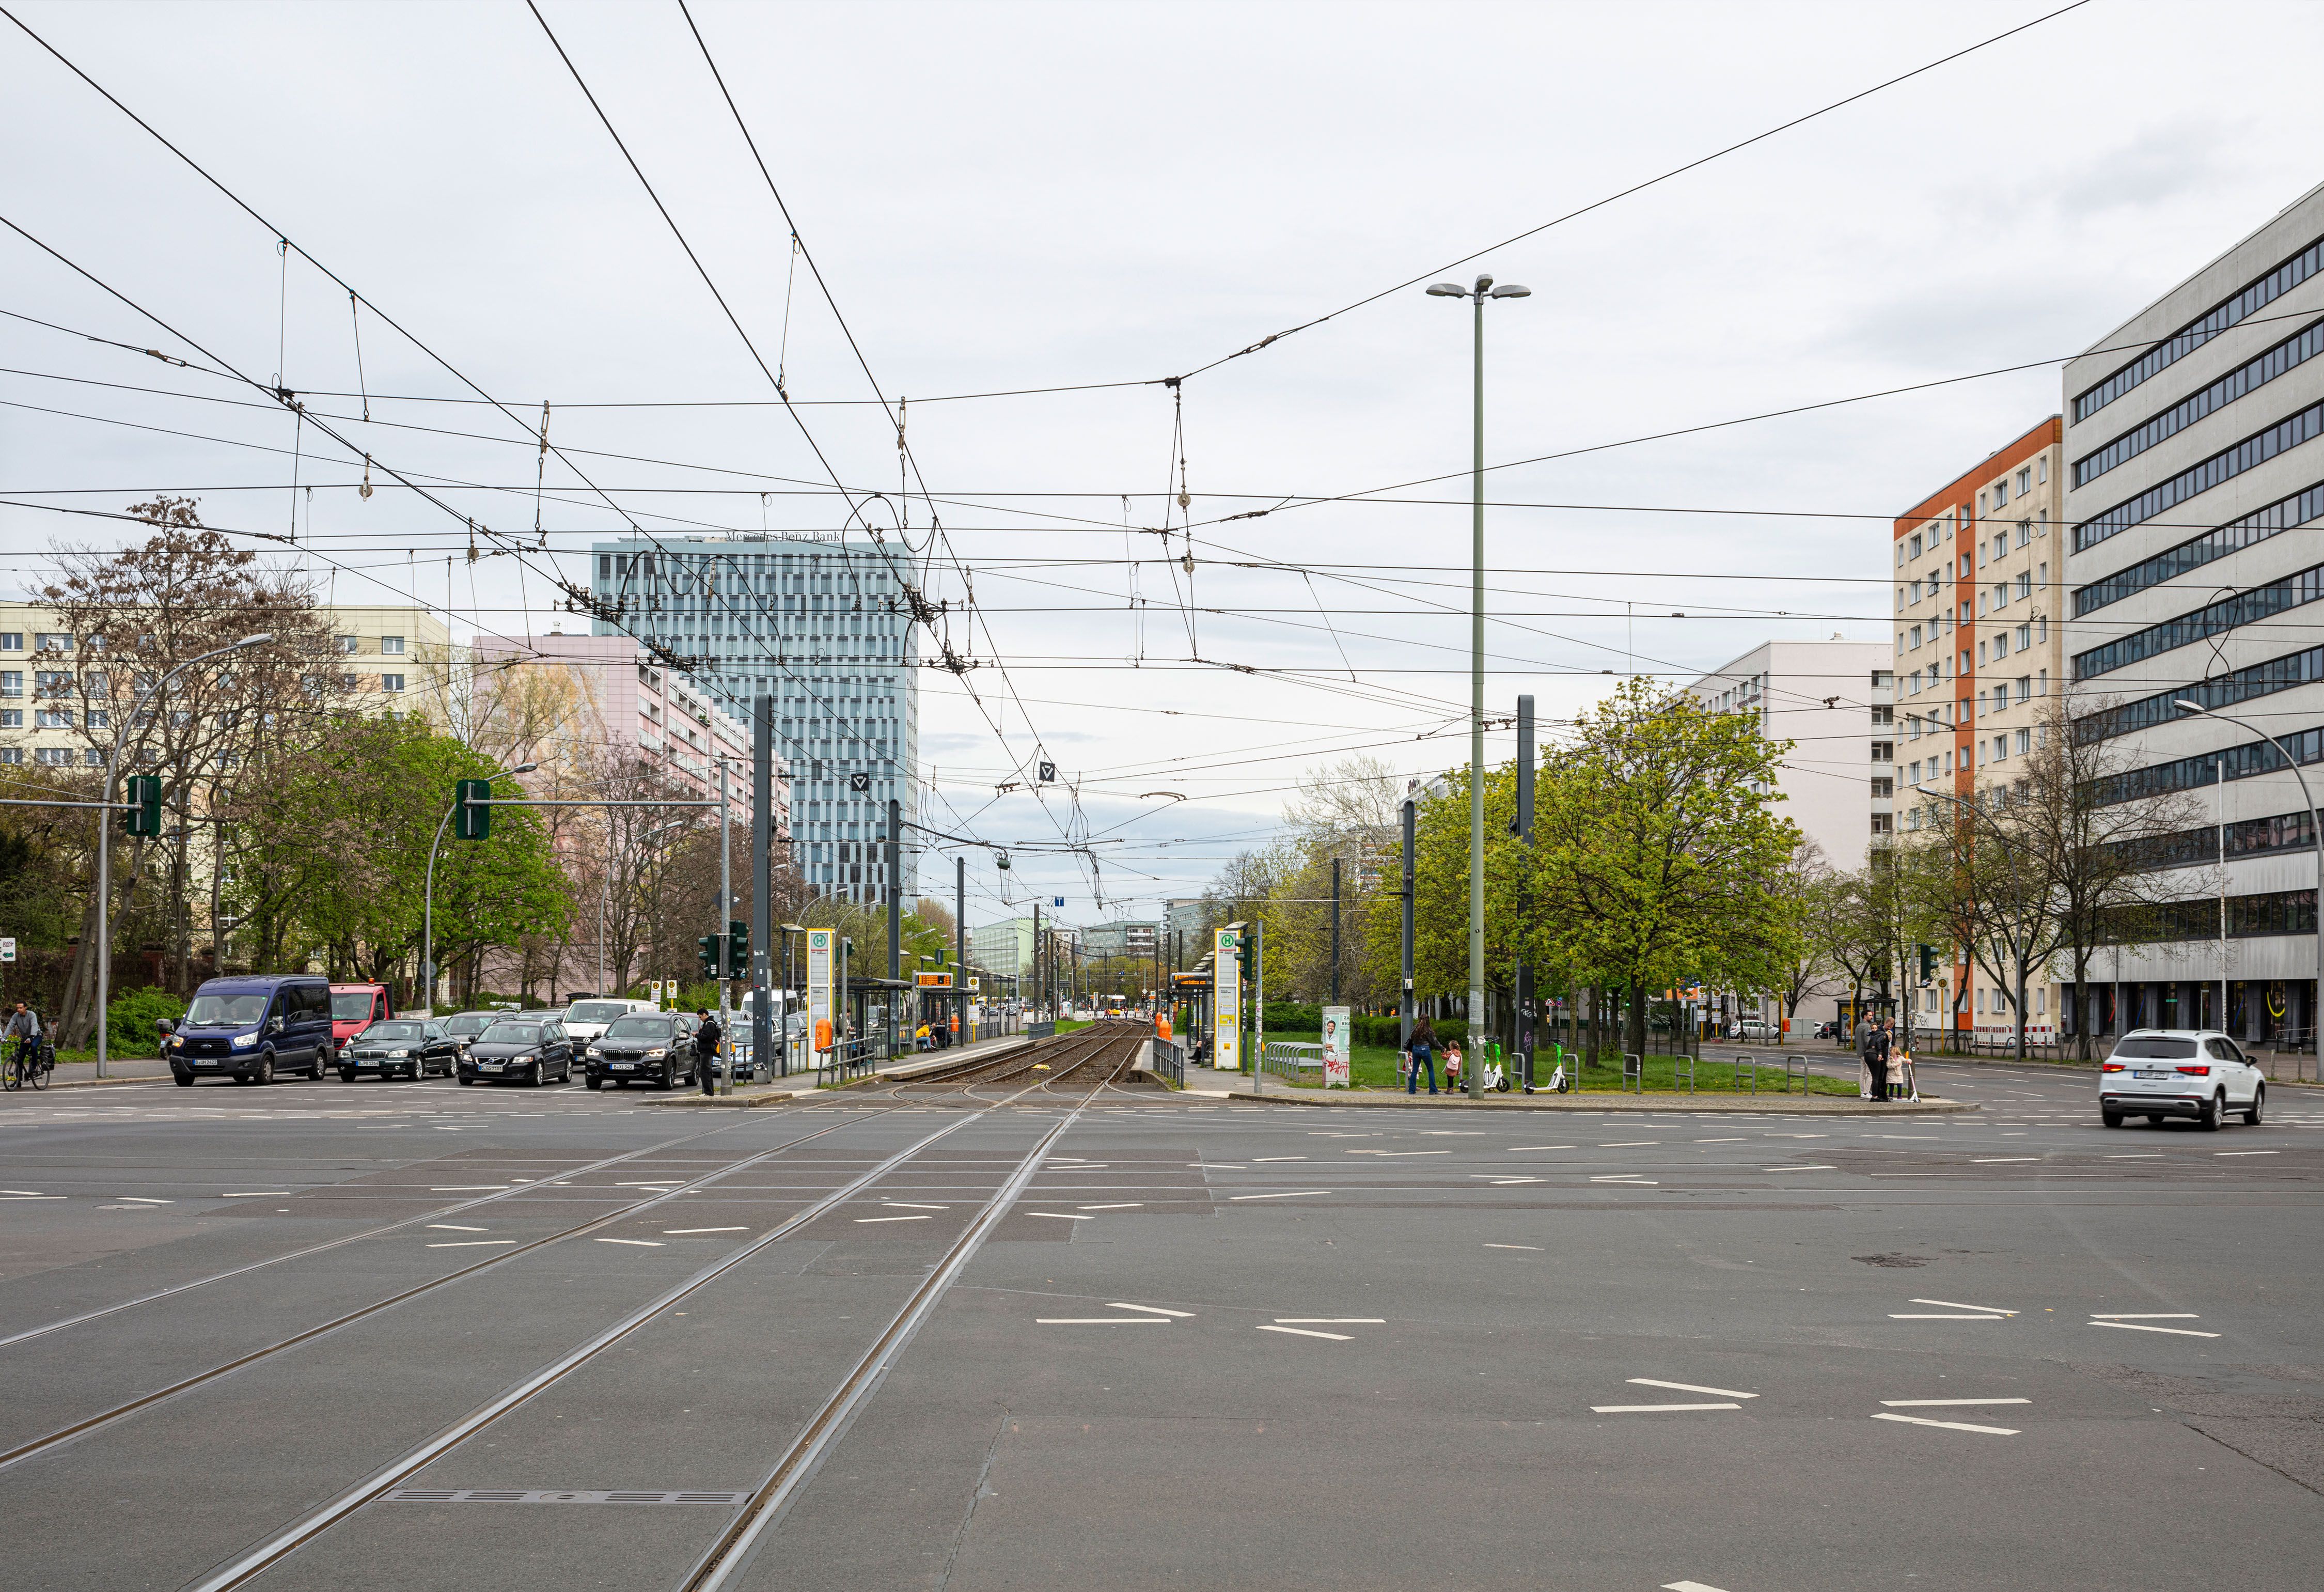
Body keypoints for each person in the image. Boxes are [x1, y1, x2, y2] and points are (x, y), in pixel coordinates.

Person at [1407, 1016, 1439, 1096]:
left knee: (1414, 1070)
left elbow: (1411, 1038)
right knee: (1430, 1069)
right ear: (1428, 1020)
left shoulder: (1415, 1028)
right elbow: (1434, 1041)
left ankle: (1412, 1090)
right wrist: (1442, 1048)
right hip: (1425, 1049)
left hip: (1415, 1049)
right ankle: (1433, 1089)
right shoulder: (1428, 1029)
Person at [695, 1009, 724, 1096]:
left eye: (700, 1017)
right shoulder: (711, 1023)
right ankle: (709, 1092)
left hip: (707, 1050)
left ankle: (708, 1092)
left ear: (704, 1014)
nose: (700, 1019)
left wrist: (697, 1035)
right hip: (708, 1050)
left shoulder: (709, 1024)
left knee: (705, 1072)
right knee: (707, 1071)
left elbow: (706, 1037)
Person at [1866, 1016, 1893, 1101]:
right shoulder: (1883, 1034)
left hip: (1872, 1054)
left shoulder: (1882, 1033)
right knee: (1878, 1078)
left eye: (1891, 1027)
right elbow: (1878, 1042)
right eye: (1888, 1026)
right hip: (1879, 1056)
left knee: (1879, 1077)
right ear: (1885, 1023)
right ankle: (1876, 1096)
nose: (1889, 1028)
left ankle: (1879, 1095)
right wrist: (1880, 1054)